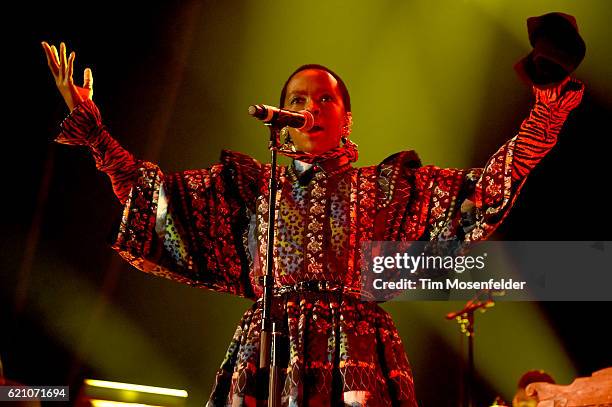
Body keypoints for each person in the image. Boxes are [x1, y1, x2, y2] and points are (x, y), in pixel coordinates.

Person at [41, 13, 584, 406]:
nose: (309, 108)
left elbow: (483, 191)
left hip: (358, 351)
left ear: (348, 118)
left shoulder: (391, 187)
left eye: (324, 99)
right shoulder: (253, 189)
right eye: (298, 100)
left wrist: (545, 118)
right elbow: (155, 199)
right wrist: (95, 132)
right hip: (267, 350)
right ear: (282, 117)